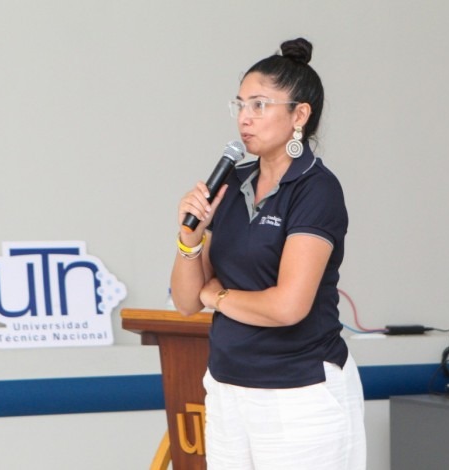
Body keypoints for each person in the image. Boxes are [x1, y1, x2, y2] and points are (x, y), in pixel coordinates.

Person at [170, 37, 366, 469]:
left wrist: (216, 297)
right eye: (240, 105)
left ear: (299, 115)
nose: (245, 118)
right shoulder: (230, 183)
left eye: (259, 105)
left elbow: (287, 306)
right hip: (227, 388)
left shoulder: (317, 190)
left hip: (300, 393)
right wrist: (190, 240)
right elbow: (185, 302)